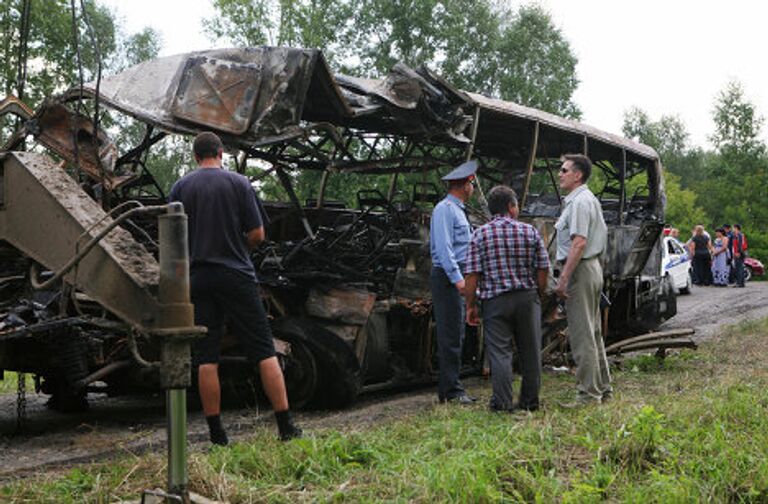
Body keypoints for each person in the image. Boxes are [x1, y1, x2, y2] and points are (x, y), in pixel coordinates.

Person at [169, 132, 302, 445]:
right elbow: (257, 234)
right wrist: (237, 247)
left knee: (206, 356)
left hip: (199, 277)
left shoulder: (180, 187)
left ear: (195, 156)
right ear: (221, 153)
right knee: (262, 349)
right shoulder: (240, 184)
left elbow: (174, 239)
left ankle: (217, 434)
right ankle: (285, 426)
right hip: (236, 275)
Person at [464, 186, 549, 412]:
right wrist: (538, 294)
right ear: (511, 207)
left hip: (495, 302)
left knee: (500, 353)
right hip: (526, 298)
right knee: (530, 352)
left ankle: (502, 403)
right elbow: (543, 267)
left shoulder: (479, 235)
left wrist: (470, 305)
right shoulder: (530, 231)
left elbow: (472, 274)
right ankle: (529, 402)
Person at [554, 154, 611, 405]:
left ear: (578, 175)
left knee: (582, 334)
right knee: (594, 332)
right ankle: (602, 388)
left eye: (564, 170)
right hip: (592, 267)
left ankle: (588, 395)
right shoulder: (588, 199)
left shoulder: (578, 203)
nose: (560, 174)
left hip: (581, 269)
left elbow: (579, 242)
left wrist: (564, 278)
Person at [430, 159, 479, 404]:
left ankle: (453, 387)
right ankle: (451, 392)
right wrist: (459, 281)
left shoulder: (458, 210)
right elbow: (444, 248)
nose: (473, 189)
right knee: (450, 335)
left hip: (458, 274)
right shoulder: (444, 210)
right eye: (472, 184)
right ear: (465, 184)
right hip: (448, 277)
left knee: (457, 332)